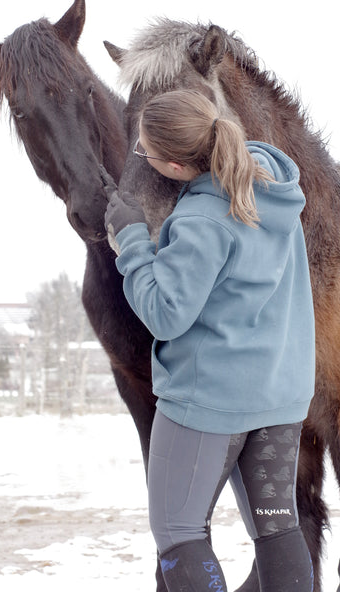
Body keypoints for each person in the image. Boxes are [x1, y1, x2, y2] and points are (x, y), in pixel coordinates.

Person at [103, 89, 315, 592]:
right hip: (279, 396)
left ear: (175, 166)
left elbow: (166, 313)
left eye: (145, 153)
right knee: (277, 525)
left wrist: (132, 244)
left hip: (209, 402)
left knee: (178, 531)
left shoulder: (202, 220)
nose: (143, 158)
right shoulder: (268, 187)